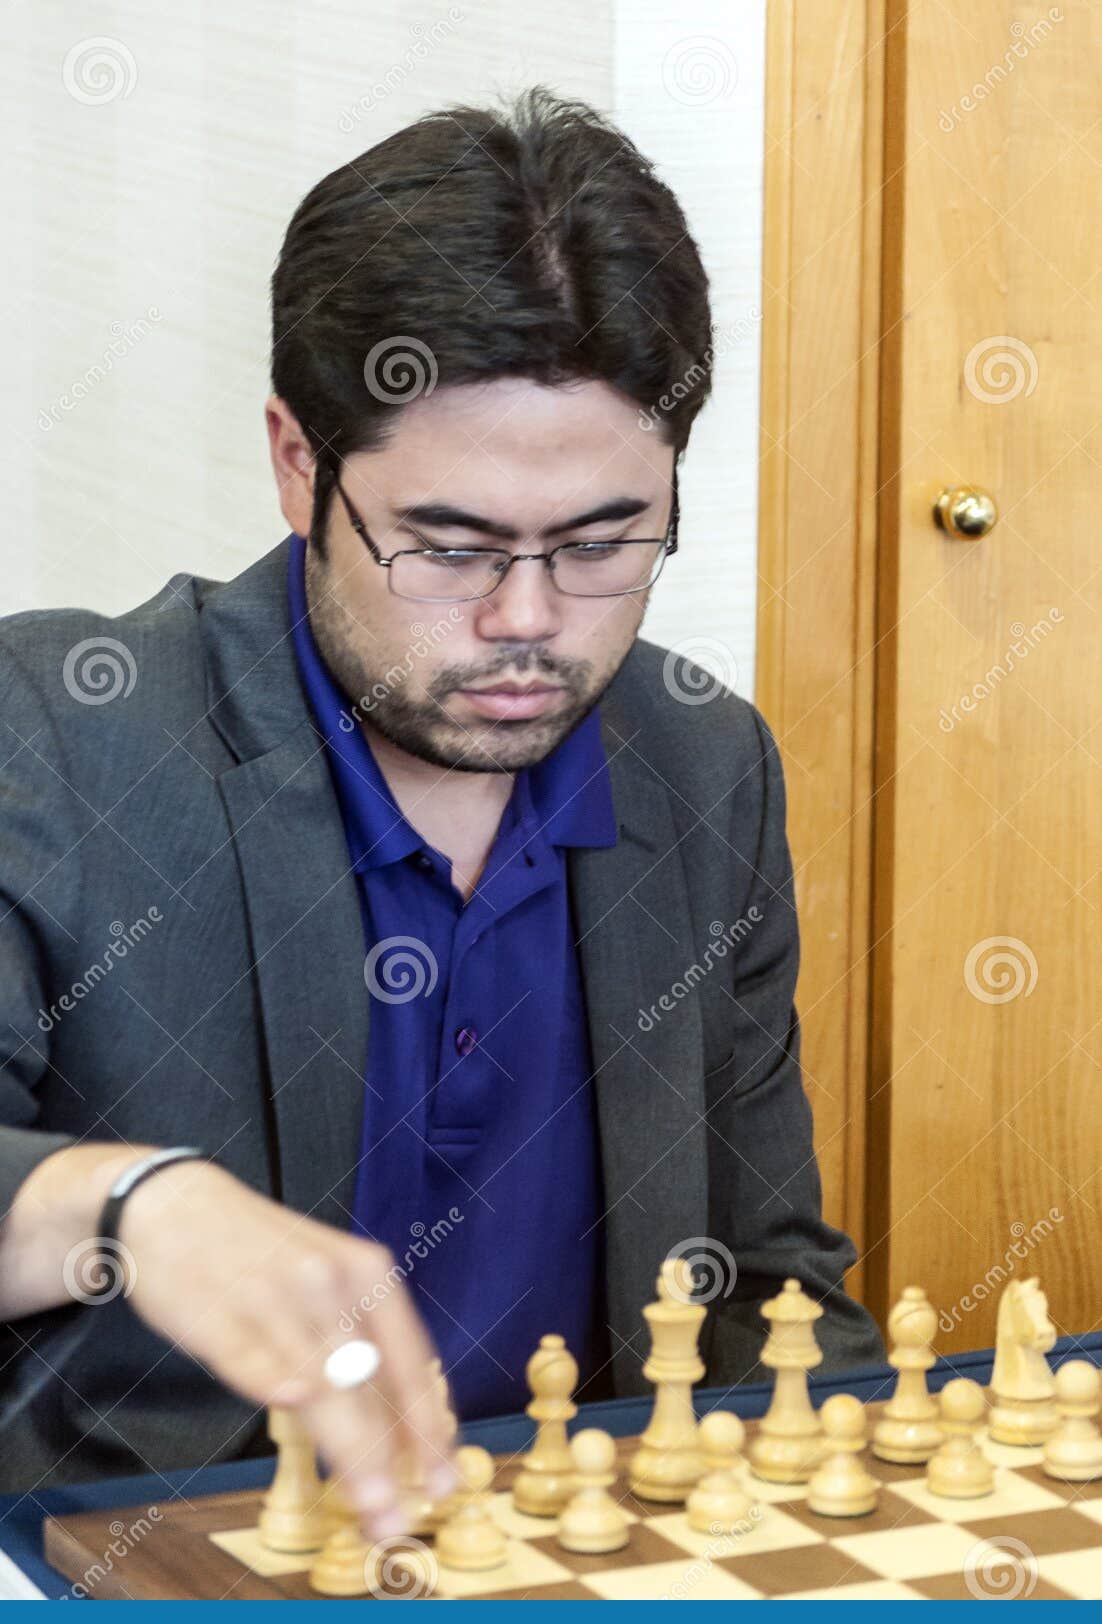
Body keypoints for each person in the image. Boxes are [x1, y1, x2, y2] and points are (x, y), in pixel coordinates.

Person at [0, 87, 885, 1536]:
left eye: (604, 541)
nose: (527, 622)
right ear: (300, 464)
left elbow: (767, 1279)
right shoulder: (54, 730)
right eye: (448, 545)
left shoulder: (702, 760)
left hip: (580, 1579)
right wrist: (125, 1206)